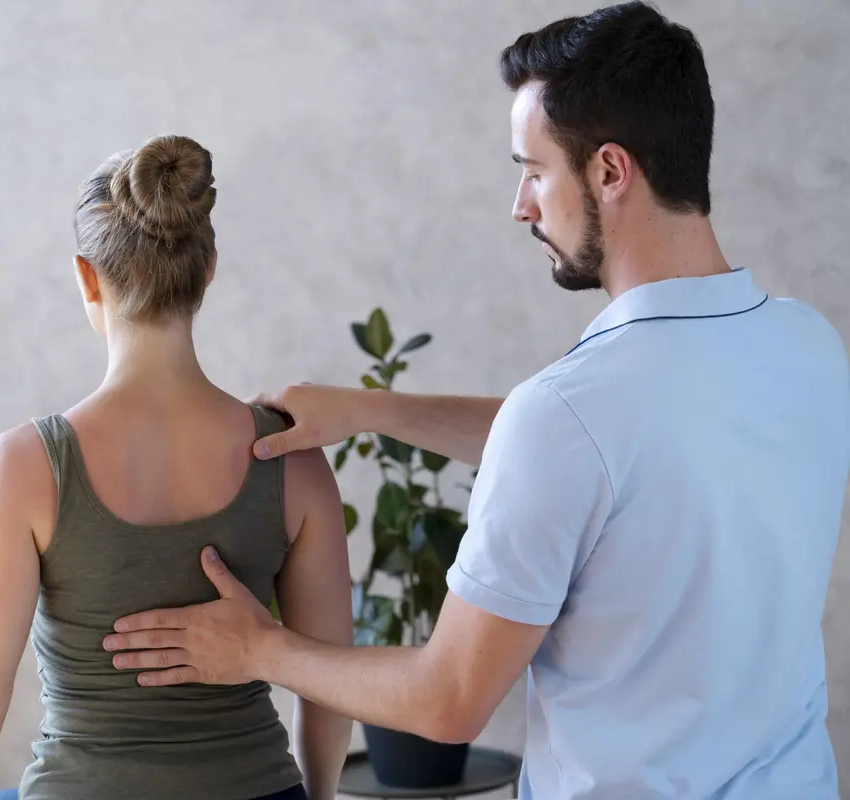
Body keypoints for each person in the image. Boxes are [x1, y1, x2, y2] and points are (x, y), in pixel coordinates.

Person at [102, 4, 850, 799]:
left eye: (533, 170)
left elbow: (448, 699)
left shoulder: (572, 417)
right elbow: (617, 456)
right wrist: (375, 411)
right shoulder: (807, 347)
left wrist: (257, 649)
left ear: (609, 170)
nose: (521, 205)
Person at [0, 134, 354, 800]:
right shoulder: (293, 461)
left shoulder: (24, 467)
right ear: (208, 269)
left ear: (86, 276)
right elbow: (332, 683)